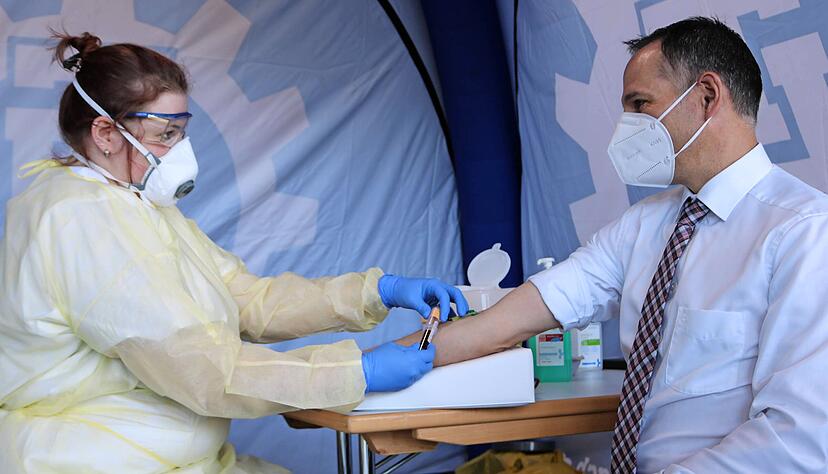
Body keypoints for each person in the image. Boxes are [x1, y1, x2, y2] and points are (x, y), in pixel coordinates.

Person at [0, 32, 468, 473]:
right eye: (165, 134)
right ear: (105, 133)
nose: (179, 150)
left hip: (168, 457)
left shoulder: (135, 205)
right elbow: (197, 366)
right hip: (91, 459)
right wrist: (353, 371)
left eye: (182, 132)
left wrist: (375, 293)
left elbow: (248, 300)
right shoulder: (81, 219)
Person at [397, 17, 828, 473]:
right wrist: (367, 364)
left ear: (706, 96)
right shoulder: (647, 223)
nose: (629, 127)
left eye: (641, 104)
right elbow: (523, 313)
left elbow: (796, 439)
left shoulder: (804, 234)